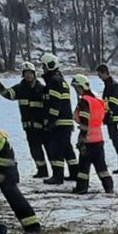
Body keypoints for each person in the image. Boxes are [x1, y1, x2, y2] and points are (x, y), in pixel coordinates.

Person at [0, 62, 52, 178]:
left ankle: (55, 172)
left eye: (30, 73)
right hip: (29, 126)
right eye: (26, 73)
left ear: (34, 74)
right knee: (35, 149)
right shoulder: (20, 88)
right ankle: (42, 170)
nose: (28, 76)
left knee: (49, 149)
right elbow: (7, 94)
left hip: (43, 126)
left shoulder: (42, 88)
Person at [39, 53, 79, 185]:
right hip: (66, 121)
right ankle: (74, 173)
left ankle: (58, 176)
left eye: (44, 66)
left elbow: (54, 104)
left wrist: (50, 120)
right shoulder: (60, 80)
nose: (43, 69)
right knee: (67, 149)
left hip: (59, 122)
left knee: (56, 149)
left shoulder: (54, 81)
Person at [70, 74, 114, 195]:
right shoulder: (97, 101)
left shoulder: (85, 102)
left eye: (77, 88)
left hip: (88, 140)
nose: (76, 90)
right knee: (101, 167)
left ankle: (81, 188)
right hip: (98, 139)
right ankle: (108, 187)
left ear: (81, 87)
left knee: (83, 167)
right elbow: (105, 117)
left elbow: (84, 121)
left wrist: (82, 139)